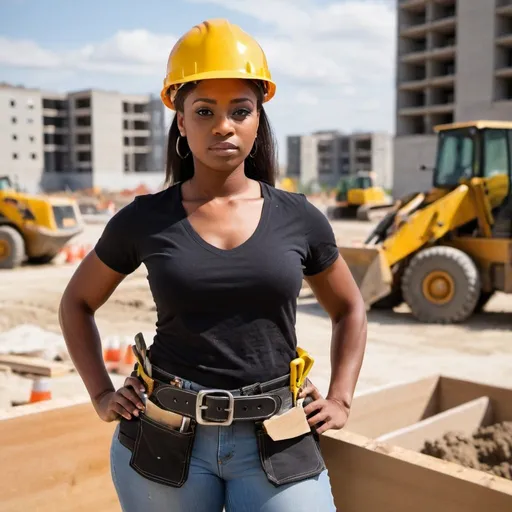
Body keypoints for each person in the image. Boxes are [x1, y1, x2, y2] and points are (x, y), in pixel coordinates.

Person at [59, 18, 367, 512]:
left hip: (277, 436)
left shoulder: (299, 218)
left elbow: (350, 308)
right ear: (182, 122)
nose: (223, 124)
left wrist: (341, 397)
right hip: (165, 436)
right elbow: (76, 302)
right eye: (204, 110)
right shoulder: (144, 219)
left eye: (240, 110)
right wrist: (100, 392)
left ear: (257, 121)